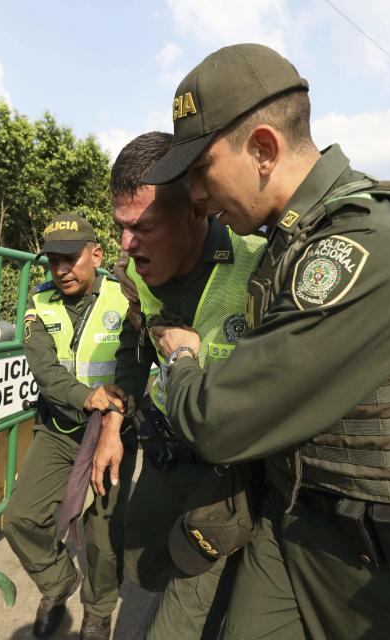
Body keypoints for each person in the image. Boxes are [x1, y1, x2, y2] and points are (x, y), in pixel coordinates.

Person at [143, 43, 390, 639]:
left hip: (379, 568)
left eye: (200, 171)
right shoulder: (294, 239)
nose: (195, 196)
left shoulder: (364, 247)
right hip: (293, 524)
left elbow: (219, 421)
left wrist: (184, 356)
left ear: (263, 150)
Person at [90, 131, 265, 639]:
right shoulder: (135, 275)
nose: (126, 245)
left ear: (196, 209)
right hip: (163, 459)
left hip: (228, 480)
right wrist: (112, 423)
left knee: (182, 621)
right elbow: (132, 349)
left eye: (142, 227)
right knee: (142, 568)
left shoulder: (260, 264)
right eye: (121, 227)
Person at [2, 213, 135, 640]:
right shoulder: (39, 303)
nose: (61, 270)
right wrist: (84, 396)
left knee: (101, 533)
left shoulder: (125, 296)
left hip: (111, 433)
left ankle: (98, 611)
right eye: (52, 261)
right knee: (20, 518)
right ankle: (59, 582)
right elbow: (42, 367)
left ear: (95, 254)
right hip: (59, 427)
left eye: (70, 258)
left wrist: (115, 410)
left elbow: (139, 361)